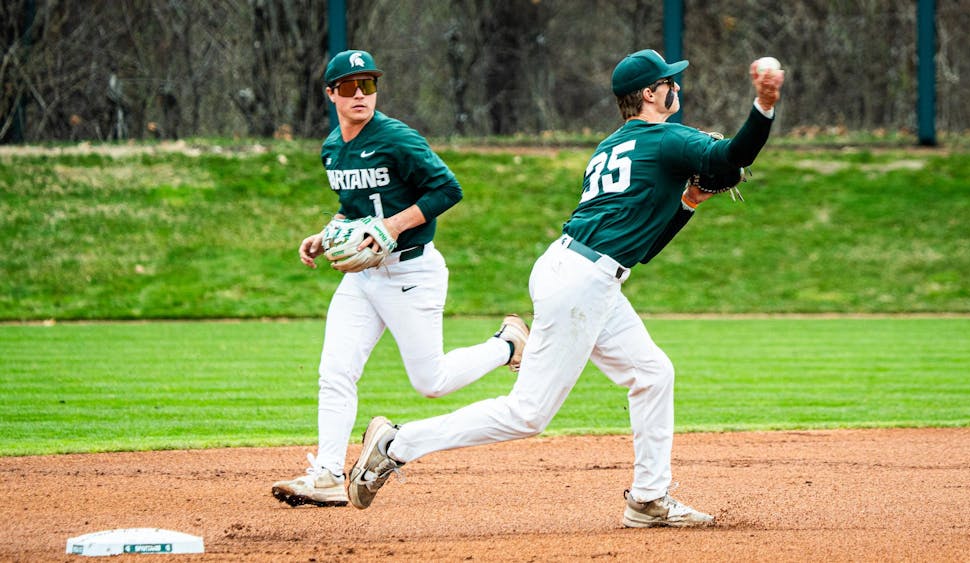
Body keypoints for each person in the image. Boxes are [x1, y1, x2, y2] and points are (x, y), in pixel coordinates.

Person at [345, 49, 785, 528]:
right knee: (528, 414)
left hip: (580, 271)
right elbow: (734, 154)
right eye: (669, 82)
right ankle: (397, 444)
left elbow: (643, 247)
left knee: (653, 373)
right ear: (649, 94)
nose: (676, 88)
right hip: (583, 282)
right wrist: (763, 105)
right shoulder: (666, 139)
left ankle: (648, 499)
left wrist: (689, 202)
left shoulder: (614, 146)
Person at [271, 49, 530, 508]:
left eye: (367, 85)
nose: (359, 95)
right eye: (348, 87)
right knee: (335, 371)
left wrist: (394, 225)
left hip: (412, 271)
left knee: (432, 381)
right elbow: (354, 210)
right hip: (363, 279)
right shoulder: (333, 148)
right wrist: (325, 235)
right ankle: (329, 473)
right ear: (330, 94)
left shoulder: (396, 138)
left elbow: (449, 190)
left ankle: (508, 344)